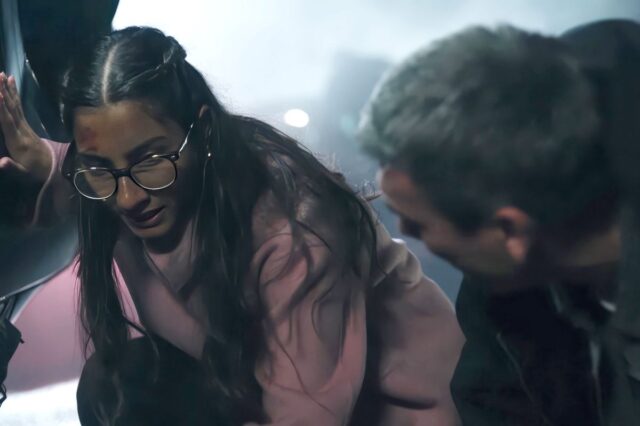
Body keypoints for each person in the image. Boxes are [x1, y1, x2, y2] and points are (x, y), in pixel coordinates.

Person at [0, 26, 463, 425]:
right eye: (100, 168)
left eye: (152, 160)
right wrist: (48, 162)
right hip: (255, 386)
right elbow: (102, 161)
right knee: (116, 385)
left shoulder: (295, 232)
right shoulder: (118, 180)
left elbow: (305, 416)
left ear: (202, 132)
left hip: (390, 412)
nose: (127, 198)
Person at [358, 22, 640, 425]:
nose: (402, 232)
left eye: (419, 224)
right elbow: (491, 403)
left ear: (510, 231)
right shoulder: (504, 282)